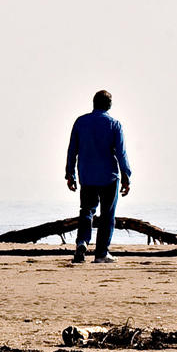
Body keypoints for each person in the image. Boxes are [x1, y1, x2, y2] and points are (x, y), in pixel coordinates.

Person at [63, 90, 131, 264]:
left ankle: (82, 242)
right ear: (109, 105)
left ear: (93, 103)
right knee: (107, 215)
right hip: (109, 176)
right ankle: (101, 253)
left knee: (86, 211)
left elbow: (72, 150)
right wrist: (126, 175)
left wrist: (70, 173)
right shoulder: (114, 124)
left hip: (87, 175)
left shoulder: (81, 122)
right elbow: (121, 153)